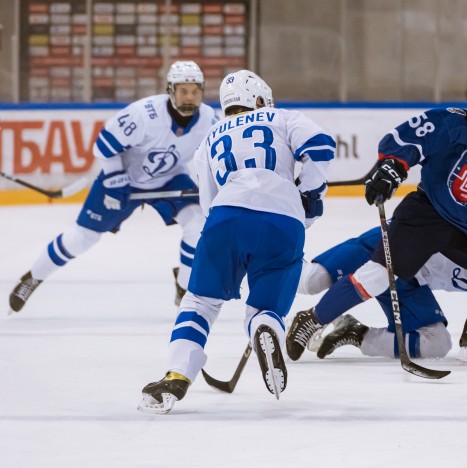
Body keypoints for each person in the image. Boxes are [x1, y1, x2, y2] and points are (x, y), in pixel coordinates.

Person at [287, 77, 467, 365]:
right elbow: (407, 138)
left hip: (466, 226)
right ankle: (312, 319)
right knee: (377, 277)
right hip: (425, 216)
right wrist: (392, 165)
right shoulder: (448, 124)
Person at [138, 70, 335, 414]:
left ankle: (177, 374)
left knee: (199, 302)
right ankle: (264, 326)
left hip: (225, 218)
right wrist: (310, 192)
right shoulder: (282, 117)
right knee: (265, 308)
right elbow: (321, 147)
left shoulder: (210, 136)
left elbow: (206, 202)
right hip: (282, 222)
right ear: (259, 100)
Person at [8, 61, 219, 314]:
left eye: (195, 91)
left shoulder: (209, 119)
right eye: (183, 90)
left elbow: (213, 158)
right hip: (123, 178)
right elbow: (104, 146)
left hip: (170, 178)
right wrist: (115, 181)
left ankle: (184, 289)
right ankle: (33, 277)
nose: (190, 97)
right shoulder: (144, 115)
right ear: (170, 90)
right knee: (82, 238)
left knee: (197, 226)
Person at [291, 213, 467, 362]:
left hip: (409, 280)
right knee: (309, 281)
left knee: (436, 344)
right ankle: (268, 260)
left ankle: (354, 333)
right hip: (389, 244)